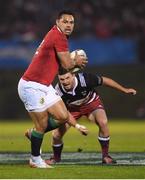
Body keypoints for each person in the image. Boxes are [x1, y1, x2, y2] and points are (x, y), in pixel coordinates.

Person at [17, 10, 88, 168]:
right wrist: (75, 61)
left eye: (71, 22)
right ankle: (35, 160)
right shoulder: (58, 36)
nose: (69, 25)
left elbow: (61, 68)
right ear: (58, 22)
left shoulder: (58, 35)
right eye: (65, 22)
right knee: (41, 125)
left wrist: (71, 62)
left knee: (62, 116)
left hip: (43, 85)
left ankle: (33, 133)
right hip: (31, 85)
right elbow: (67, 65)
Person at [44, 68, 136, 165]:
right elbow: (65, 113)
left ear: (73, 75)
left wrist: (124, 90)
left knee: (103, 122)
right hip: (72, 110)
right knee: (56, 135)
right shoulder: (58, 91)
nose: (65, 82)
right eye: (62, 79)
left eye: (67, 78)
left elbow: (106, 81)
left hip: (91, 103)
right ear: (58, 79)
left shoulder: (86, 79)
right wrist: (77, 126)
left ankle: (106, 156)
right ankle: (56, 158)